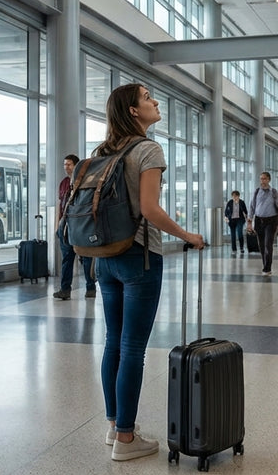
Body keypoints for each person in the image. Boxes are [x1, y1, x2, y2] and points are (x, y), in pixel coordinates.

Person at [93, 83, 205, 462]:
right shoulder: (148, 149)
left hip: (103, 256)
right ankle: (126, 439)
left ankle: (114, 426)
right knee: (132, 348)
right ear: (133, 111)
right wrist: (188, 234)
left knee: (113, 341)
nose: (155, 101)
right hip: (138, 256)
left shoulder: (104, 151)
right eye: (147, 98)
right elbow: (149, 209)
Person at [54, 154, 95, 301]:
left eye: (69, 164)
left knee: (86, 257)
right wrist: (58, 225)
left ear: (76, 166)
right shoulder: (64, 183)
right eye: (65, 164)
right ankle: (65, 289)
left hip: (81, 225)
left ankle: (91, 287)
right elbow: (61, 204)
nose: (66, 167)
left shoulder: (85, 181)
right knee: (67, 258)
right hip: (66, 225)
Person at [247, 172, 278, 275]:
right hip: (259, 220)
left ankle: (267, 268)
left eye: (264, 179)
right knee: (261, 245)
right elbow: (252, 207)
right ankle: (265, 264)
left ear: (269, 180)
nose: (262, 181)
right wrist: (249, 222)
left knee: (268, 244)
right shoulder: (256, 192)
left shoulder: (273, 192)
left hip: (271, 221)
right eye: (261, 179)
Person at [225, 190, 248, 255]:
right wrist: (226, 217)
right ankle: (234, 249)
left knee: (240, 233)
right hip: (231, 220)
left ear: (238, 196)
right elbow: (226, 211)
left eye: (236, 196)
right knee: (233, 235)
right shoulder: (229, 202)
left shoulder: (241, 202)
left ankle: (241, 248)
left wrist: (245, 214)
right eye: (233, 196)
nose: (234, 197)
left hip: (240, 219)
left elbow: (246, 211)